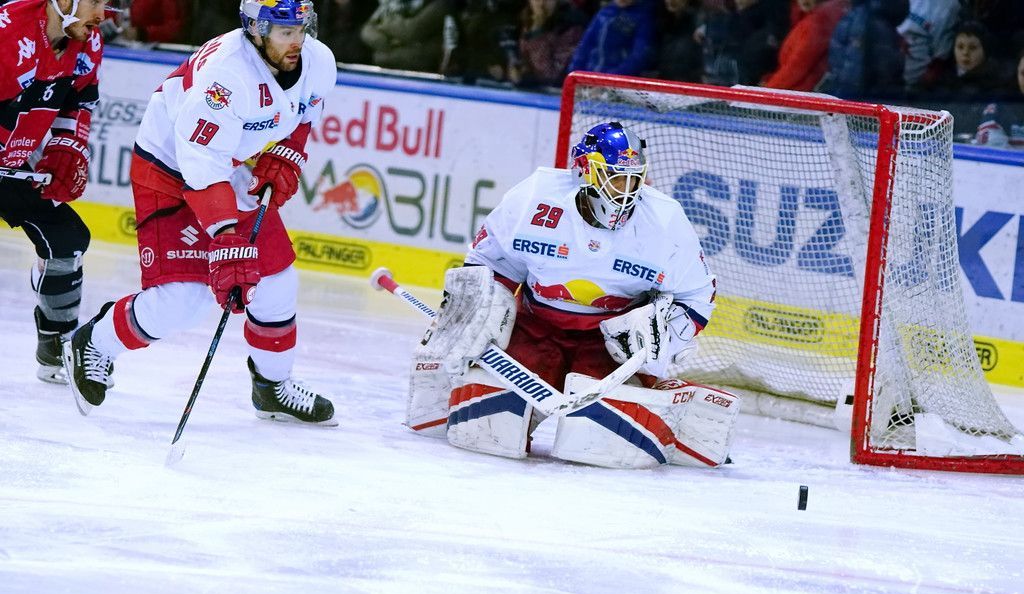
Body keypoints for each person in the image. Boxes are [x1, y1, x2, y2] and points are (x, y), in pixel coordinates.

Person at [62, 0, 338, 426]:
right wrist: (226, 239)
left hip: (227, 166)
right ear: (256, 30)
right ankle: (94, 342)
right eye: (286, 32)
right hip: (169, 170)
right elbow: (200, 165)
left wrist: (287, 153)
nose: (297, 41)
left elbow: (302, 115)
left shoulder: (318, 61)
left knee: (277, 281)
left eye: (301, 29)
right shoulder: (225, 77)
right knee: (183, 301)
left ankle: (272, 386)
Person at [405, 122, 736, 469]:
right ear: (585, 171)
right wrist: (473, 315)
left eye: (633, 179)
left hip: (609, 345)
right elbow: (489, 263)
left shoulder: (665, 221)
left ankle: (669, 404)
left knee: (604, 446)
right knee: (485, 430)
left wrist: (660, 339)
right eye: (615, 178)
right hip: (535, 329)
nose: (626, 191)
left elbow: (698, 294)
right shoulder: (534, 198)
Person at [0, 0, 111, 384]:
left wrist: (68, 146)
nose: (102, 14)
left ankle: (56, 343)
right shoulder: (8, 34)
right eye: (95, 1)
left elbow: (79, 99)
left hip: (11, 163)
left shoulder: (87, 40)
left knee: (66, 239)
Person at [760, 0, 848, 92]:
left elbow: (795, 69)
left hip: (799, 92)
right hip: (792, 88)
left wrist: (766, 91)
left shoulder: (816, 24)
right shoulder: (806, 18)